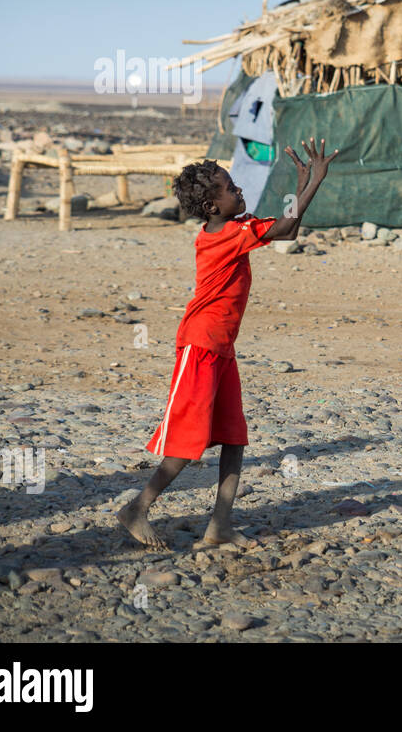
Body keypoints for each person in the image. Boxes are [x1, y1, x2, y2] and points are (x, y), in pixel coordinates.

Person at [117, 137, 338, 549]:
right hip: (200, 346)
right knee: (187, 443)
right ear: (212, 207)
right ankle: (137, 507)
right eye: (230, 187)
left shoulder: (230, 230)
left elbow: (286, 234)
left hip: (220, 348)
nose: (239, 190)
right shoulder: (228, 236)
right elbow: (287, 226)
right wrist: (313, 183)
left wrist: (301, 183)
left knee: (234, 437)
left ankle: (219, 525)